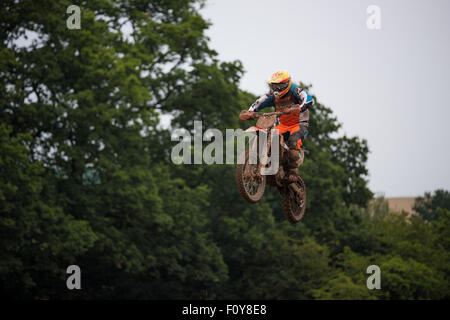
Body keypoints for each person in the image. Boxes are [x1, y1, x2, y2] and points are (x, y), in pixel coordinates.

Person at [239, 70, 313, 182]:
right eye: (275, 86)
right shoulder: (272, 95)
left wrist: (300, 107)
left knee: (293, 141)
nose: (277, 89)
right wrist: (251, 111)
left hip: (298, 124)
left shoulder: (295, 91)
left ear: (287, 83)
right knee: (268, 135)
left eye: (280, 86)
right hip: (282, 125)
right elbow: (260, 102)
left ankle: (293, 171)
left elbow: (308, 98)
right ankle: (274, 163)